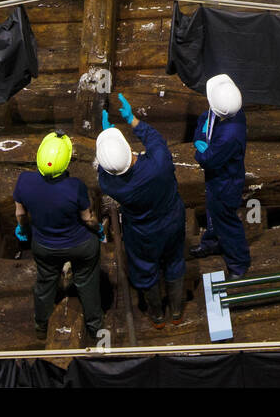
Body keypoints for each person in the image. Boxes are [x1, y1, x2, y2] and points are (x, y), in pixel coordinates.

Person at [96, 94, 187, 327]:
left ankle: (157, 316)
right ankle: (177, 312)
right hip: (172, 220)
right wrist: (132, 120)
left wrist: (105, 137)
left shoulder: (109, 184)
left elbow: (105, 169)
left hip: (142, 232)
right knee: (175, 260)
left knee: (146, 270)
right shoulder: (159, 163)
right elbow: (155, 139)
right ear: (127, 148)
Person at [13, 131, 105, 343]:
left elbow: (20, 214)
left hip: (45, 246)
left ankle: (40, 325)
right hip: (80, 245)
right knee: (87, 282)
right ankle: (95, 327)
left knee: (45, 282)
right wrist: (98, 229)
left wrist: (25, 231)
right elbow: (87, 218)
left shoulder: (24, 181)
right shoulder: (75, 187)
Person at [188, 74, 251, 276]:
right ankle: (212, 242)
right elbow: (203, 119)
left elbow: (207, 159)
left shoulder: (229, 136)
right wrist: (201, 134)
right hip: (216, 179)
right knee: (212, 213)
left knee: (228, 222)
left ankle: (238, 264)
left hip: (226, 185)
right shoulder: (227, 109)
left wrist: (200, 147)